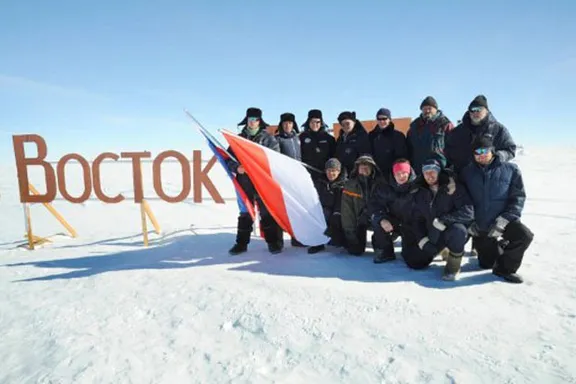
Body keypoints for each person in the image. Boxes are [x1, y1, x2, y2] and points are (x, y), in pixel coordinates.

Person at [460, 135, 534, 283]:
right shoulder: (466, 173)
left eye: (484, 150)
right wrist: (470, 222)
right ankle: (499, 246)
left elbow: (518, 197)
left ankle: (504, 269)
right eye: (477, 152)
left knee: (524, 236)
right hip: (480, 226)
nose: (481, 155)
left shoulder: (510, 169)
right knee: (486, 263)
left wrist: (504, 220)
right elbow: (461, 200)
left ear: (492, 150)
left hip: (503, 220)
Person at [227, 107, 284, 255]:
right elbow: (228, 159)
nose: (252, 122)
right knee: (245, 212)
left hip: (262, 182)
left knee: (266, 212)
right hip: (244, 182)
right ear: (246, 121)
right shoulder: (238, 139)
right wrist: (236, 167)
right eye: (250, 119)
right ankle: (241, 244)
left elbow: (275, 160)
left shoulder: (269, 139)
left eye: (255, 120)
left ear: (260, 121)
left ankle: (273, 243)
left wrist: (259, 167)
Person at [409, 158, 474, 280]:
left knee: (458, 230)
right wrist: (423, 241)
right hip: (432, 234)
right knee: (415, 262)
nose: (429, 175)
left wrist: (444, 220)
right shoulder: (419, 191)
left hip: (450, 233)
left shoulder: (453, 187)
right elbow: (417, 220)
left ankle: (453, 267)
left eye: (433, 171)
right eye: (426, 172)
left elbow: (468, 212)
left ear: (439, 172)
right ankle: (442, 250)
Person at [445, 94, 517, 173]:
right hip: (462, 178)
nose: (475, 112)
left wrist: (495, 157)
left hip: (488, 177)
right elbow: (448, 150)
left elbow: (510, 149)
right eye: (472, 109)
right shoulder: (458, 131)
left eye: (479, 109)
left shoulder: (498, 129)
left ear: (486, 111)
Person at [369, 158, 418, 263]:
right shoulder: (385, 186)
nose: (401, 176)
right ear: (393, 174)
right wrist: (382, 219)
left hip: (411, 224)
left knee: (412, 258)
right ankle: (385, 251)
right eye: (398, 173)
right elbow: (375, 205)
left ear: (409, 173)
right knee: (377, 221)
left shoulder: (418, 186)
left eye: (404, 173)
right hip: (393, 221)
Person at [340, 155, 384, 256]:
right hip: (359, 220)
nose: (364, 169)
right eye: (362, 166)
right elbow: (347, 211)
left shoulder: (380, 183)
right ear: (357, 169)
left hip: (376, 217)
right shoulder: (350, 185)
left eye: (367, 166)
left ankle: (379, 244)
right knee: (355, 250)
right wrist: (350, 233)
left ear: (372, 168)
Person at [276, 112, 305, 247]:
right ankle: (279, 239)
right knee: (286, 209)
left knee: (298, 209)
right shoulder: (277, 139)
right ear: (281, 125)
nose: (288, 125)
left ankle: (297, 237)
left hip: (298, 178)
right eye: (285, 123)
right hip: (285, 178)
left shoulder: (298, 138)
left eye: (290, 123)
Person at [308, 158, 348, 254]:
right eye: (329, 171)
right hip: (323, 210)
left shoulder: (345, 184)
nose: (331, 173)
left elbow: (343, 202)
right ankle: (317, 243)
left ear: (338, 171)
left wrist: (336, 213)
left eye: (334, 171)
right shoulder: (320, 182)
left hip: (339, 211)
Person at [406, 96, 454, 174]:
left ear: (436, 109)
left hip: (439, 171)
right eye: (424, 109)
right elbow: (408, 148)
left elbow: (454, 148)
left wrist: (450, 169)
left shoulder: (445, 124)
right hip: (418, 170)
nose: (427, 111)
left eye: (430, 108)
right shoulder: (414, 127)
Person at [368, 107, 408, 180]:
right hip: (376, 175)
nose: (381, 121)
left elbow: (402, 156)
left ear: (389, 119)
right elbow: (369, 154)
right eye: (379, 119)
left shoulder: (398, 136)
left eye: (384, 119)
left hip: (393, 174)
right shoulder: (371, 135)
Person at [299, 109, 336, 181]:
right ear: (308, 122)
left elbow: (334, 156)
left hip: (324, 175)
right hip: (307, 174)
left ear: (321, 123)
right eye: (312, 122)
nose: (315, 124)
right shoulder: (302, 137)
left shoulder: (329, 138)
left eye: (317, 122)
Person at [335, 111, 372, 175]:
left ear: (354, 122)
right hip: (343, 175)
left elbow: (365, 156)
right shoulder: (340, 139)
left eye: (347, 123)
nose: (345, 126)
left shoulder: (362, 137)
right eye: (343, 125)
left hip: (357, 174)